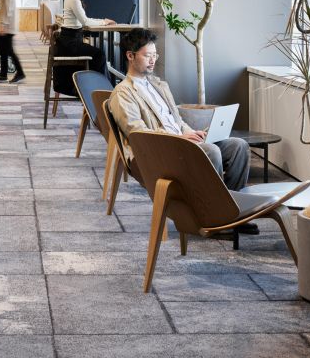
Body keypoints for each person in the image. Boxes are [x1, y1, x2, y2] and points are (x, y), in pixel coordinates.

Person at [108, 28, 257, 234]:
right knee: (211, 151)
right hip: (159, 151)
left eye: (155, 55)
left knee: (238, 146)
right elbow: (138, 134)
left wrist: (193, 133)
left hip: (180, 141)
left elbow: (177, 120)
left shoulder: (159, 85)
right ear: (130, 56)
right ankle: (213, 218)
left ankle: (232, 213)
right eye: (147, 55)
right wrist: (178, 137)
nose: (153, 60)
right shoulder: (123, 93)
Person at [54, 0, 115, 96]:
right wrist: (104, 22)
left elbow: (84, 19)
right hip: (70, 43)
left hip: (68, 40)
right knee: (99, 55)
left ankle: (103, 88)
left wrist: (103, 21)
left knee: (98, 54)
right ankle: (105, 91)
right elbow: (85, 22)